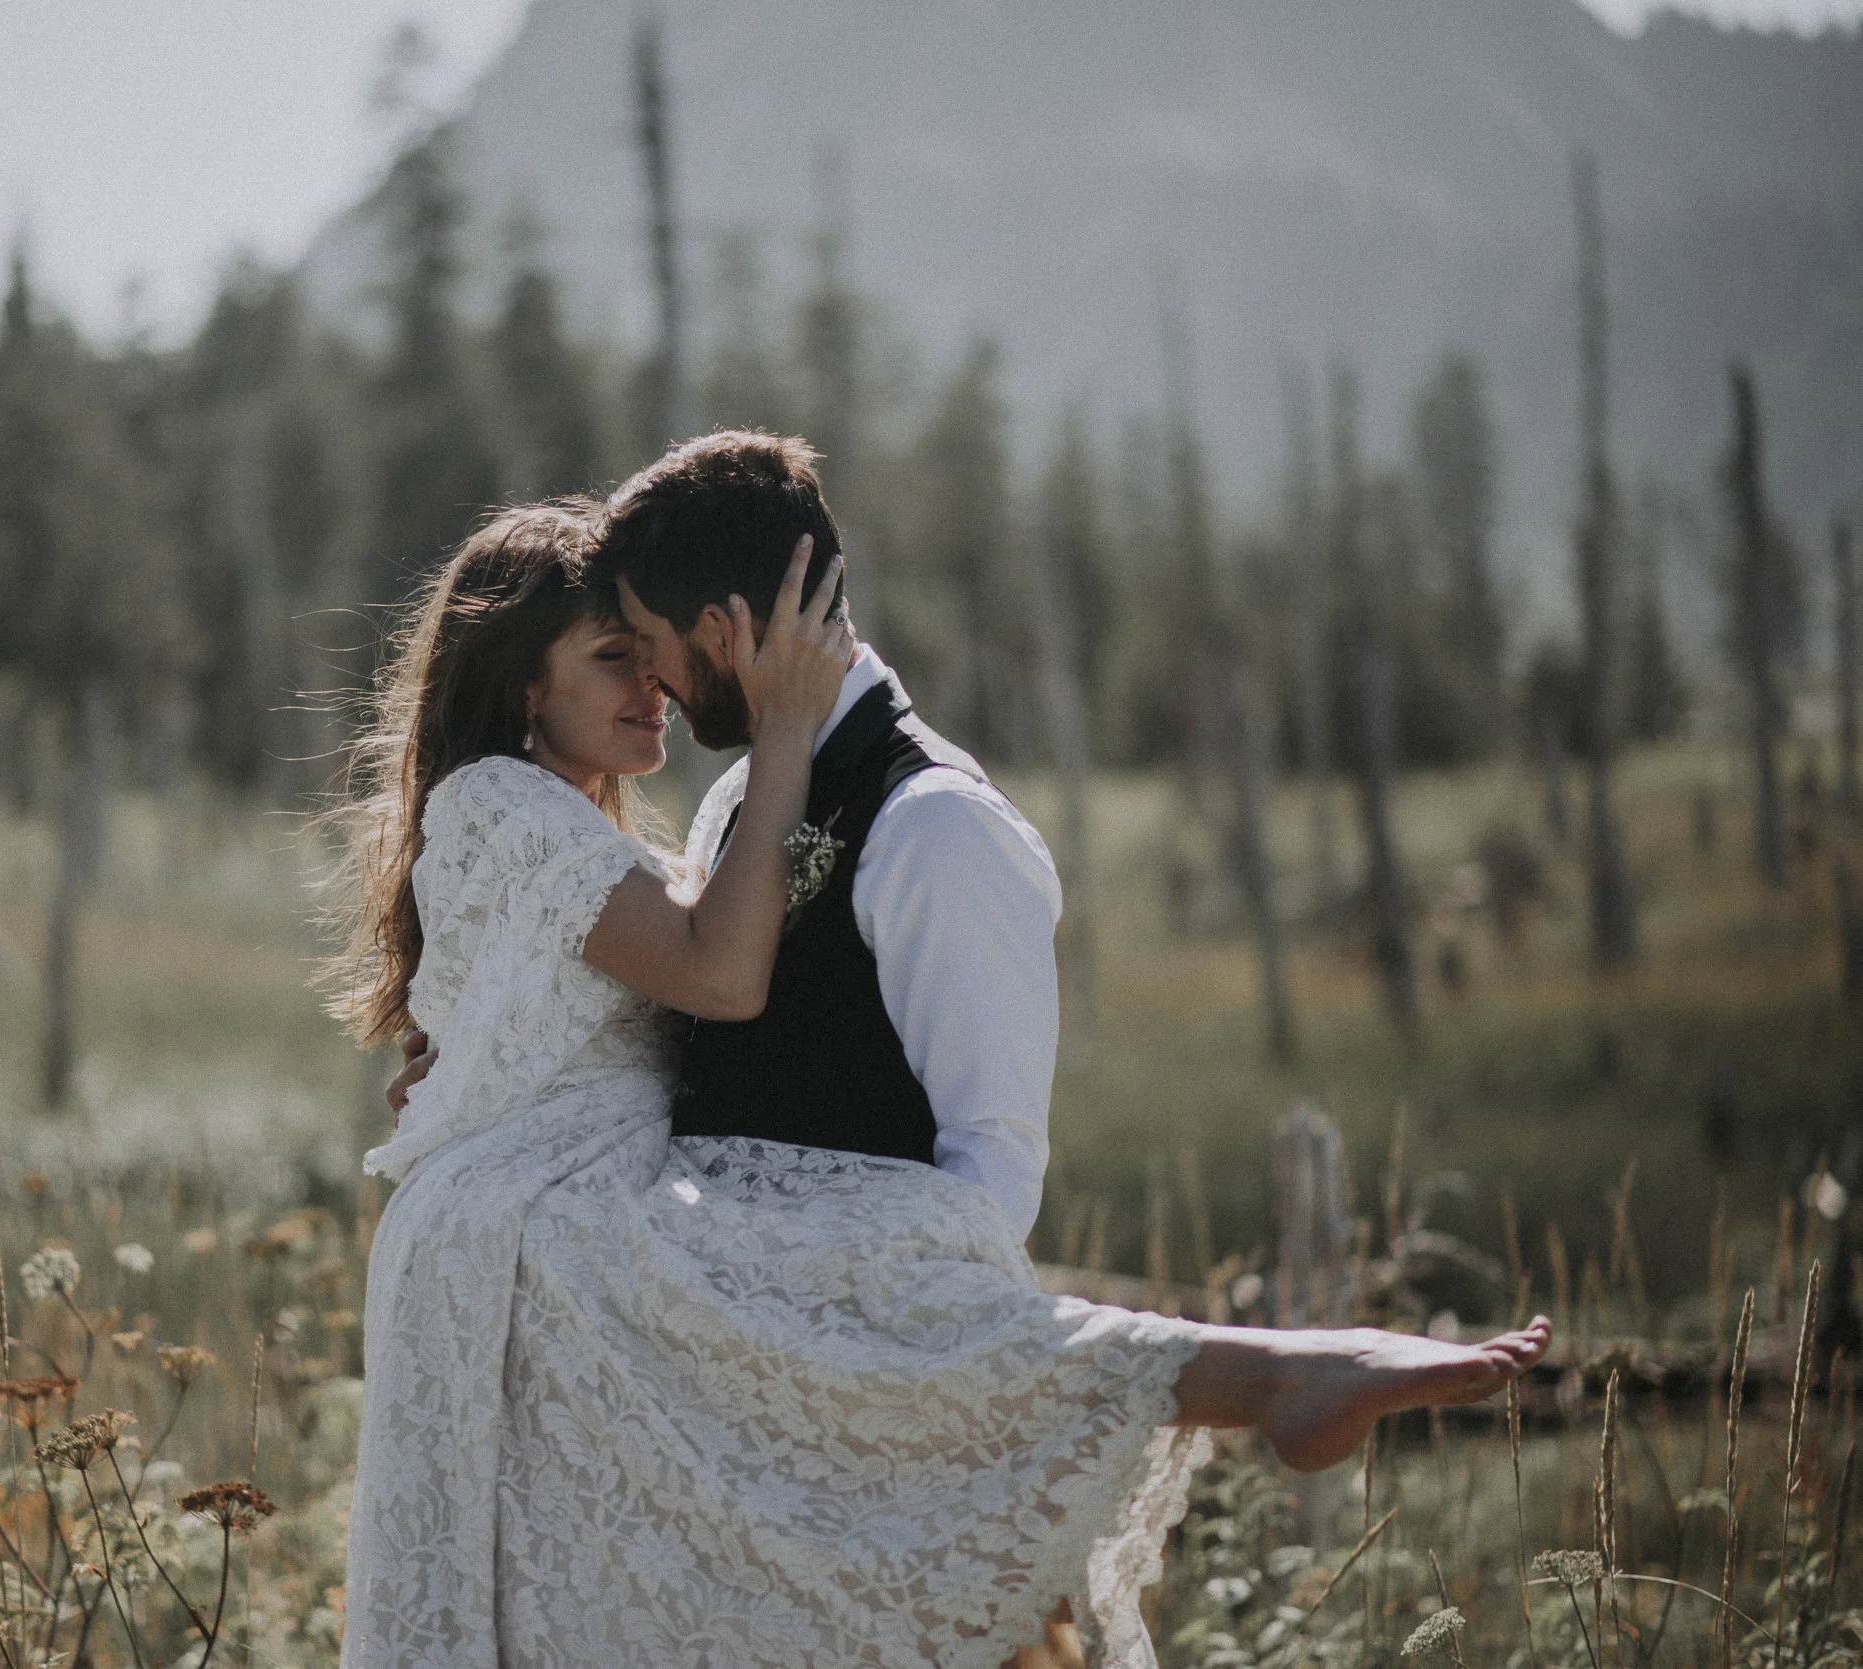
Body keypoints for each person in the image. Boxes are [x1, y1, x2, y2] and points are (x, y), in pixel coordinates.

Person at [330, 473, 1545, 1669]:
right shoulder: (717, 807)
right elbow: (698, 987)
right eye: (615, 654)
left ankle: (1273, 1373)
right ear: (520, 682)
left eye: (645, 646)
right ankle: (1266, 1373)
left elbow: (986, 1178)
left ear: (722, 632)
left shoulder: (936, 828)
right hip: (607, 1281)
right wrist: (481, 1084)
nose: (648, 680)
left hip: (784, 1337)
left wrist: (914, 1399)